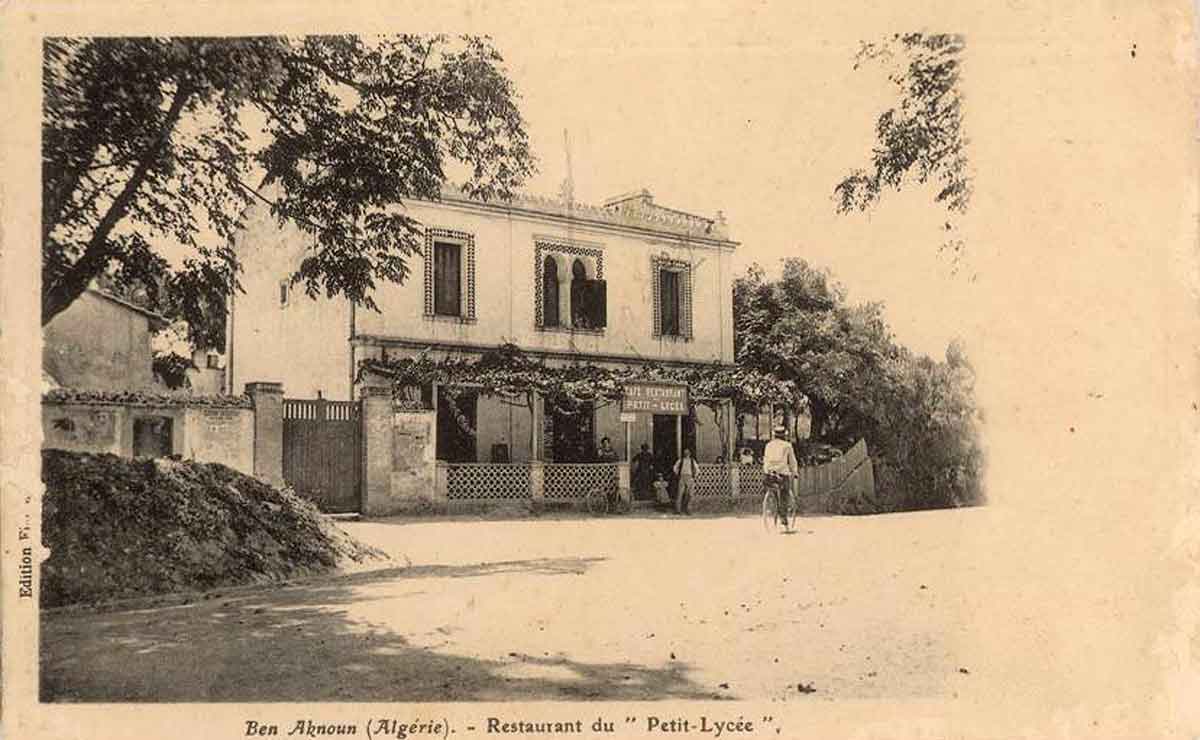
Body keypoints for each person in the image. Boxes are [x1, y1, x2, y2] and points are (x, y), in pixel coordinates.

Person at [762, 425, 799, 530]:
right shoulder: (787, 445)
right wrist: (795, 472)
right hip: (782, 474)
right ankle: (783, 517)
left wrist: (766, 470)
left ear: (774, 435)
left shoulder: (768, 445)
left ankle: (772, 505)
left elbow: (765, 460)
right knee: (785, 493)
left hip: (769, 474)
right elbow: (792, 461)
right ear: (784, 435)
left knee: (772, 489)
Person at [672, 448, 698, 515]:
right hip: (682, 477)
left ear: (690, 454)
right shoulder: (680, 460)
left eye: (688, 453)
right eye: (685, 453)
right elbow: (675, 467)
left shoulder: (692, 461)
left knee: (690, 494)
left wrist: (694, 476)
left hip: (690, 477)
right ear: (684, 454)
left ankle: (688, 509)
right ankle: (678, 510)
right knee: (680, 494)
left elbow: (697, 469)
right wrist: (678, 474)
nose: (686, 454)